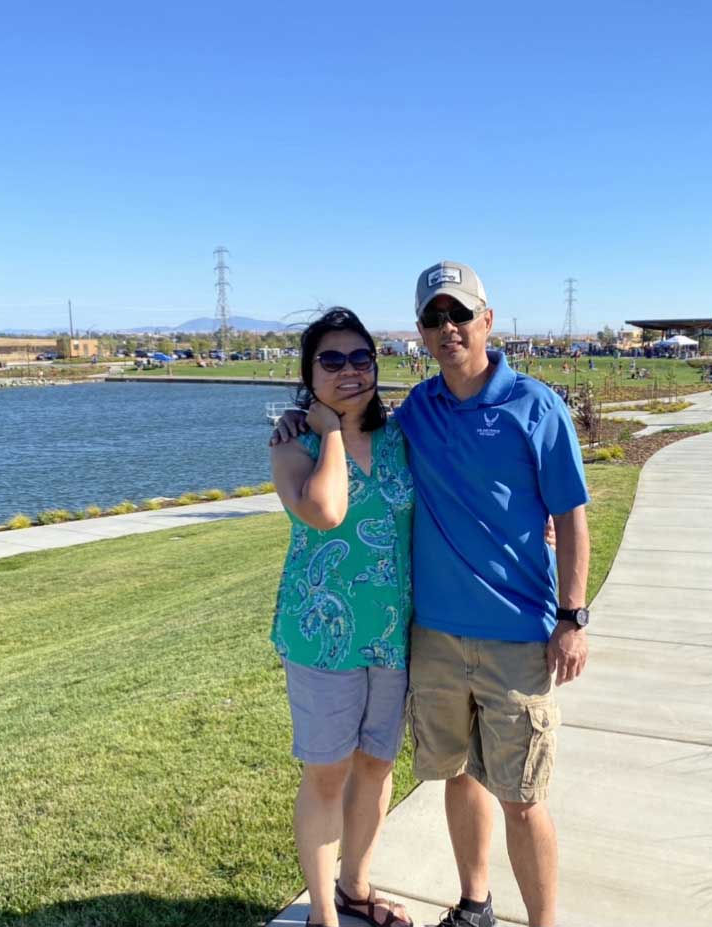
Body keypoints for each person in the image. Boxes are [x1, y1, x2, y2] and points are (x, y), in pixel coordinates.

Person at [274, 262, 590, 927]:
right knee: (455, 774)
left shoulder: (532, 408)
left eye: (460, 314)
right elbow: (332, 492)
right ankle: (472, 903)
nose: (449, 328)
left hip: (508, 636)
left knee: (523, 793)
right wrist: (311, 420)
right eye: (434, 318)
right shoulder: (410, 414)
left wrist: (572, 615)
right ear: (421, 332)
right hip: (426, 637)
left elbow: (572, 515)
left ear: (487, 320)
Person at [269, 308, 416, 927]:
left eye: (361, 358)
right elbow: (326, 511)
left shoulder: (402, 436)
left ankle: (356, 887)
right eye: (331, 360)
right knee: (327, 773)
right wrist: (329, 431)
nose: (349, 371)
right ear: (309, 374)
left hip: (391, 633)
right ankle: (324, 913)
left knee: (377, 765)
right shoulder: (291, 445)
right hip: (321, 639)